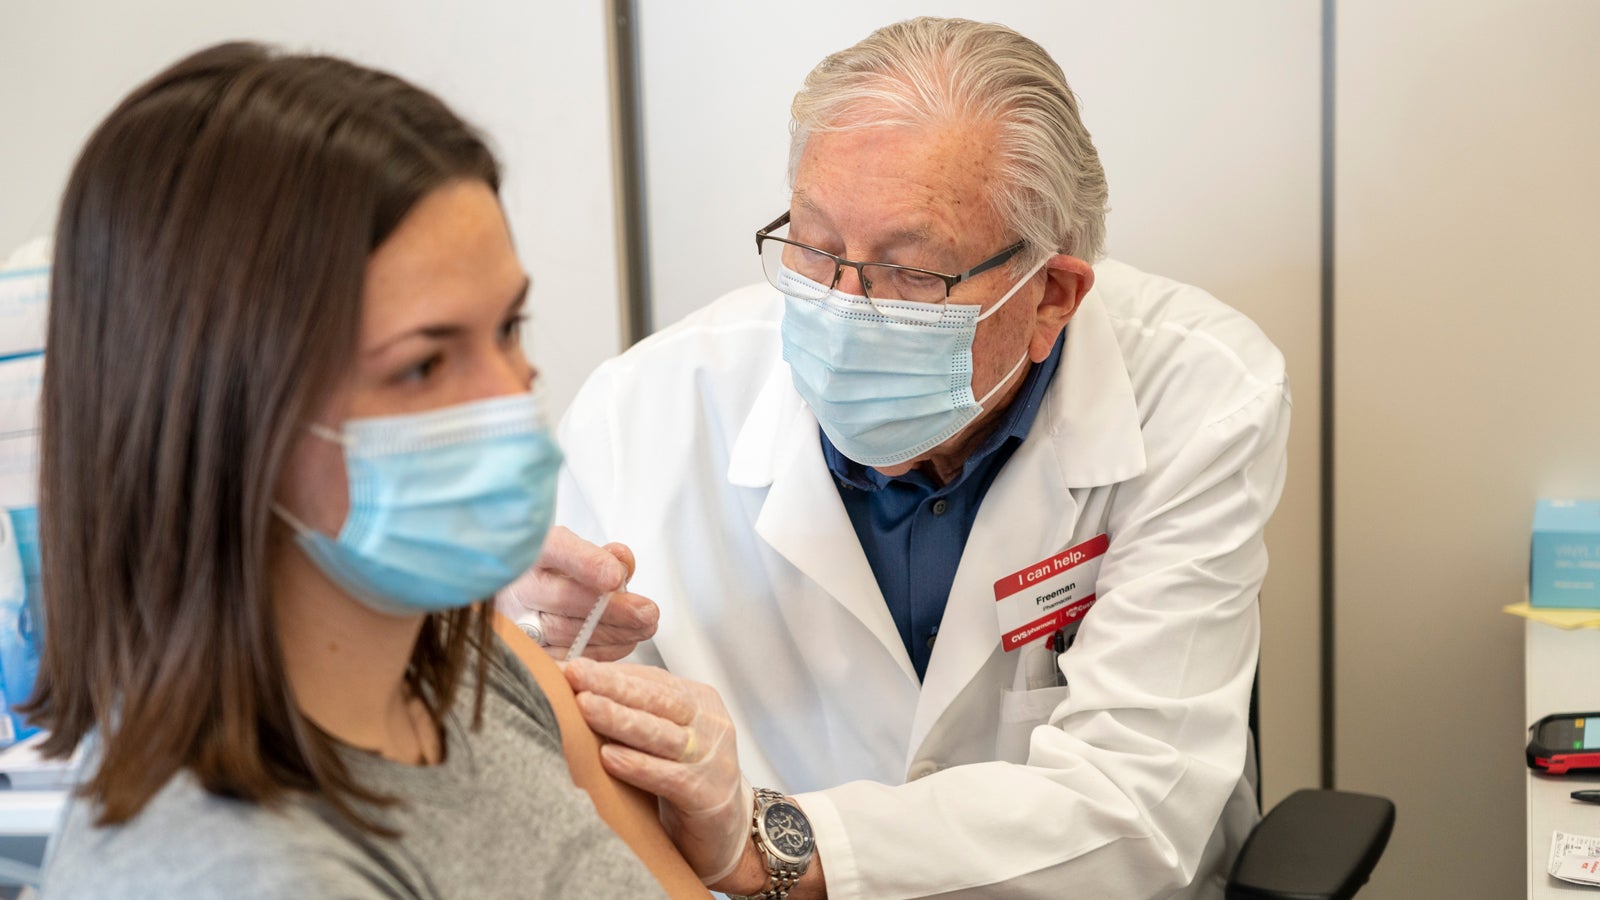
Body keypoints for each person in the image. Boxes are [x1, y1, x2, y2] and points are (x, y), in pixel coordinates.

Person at [504, 15, 1291, 899]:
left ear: (1051, 298)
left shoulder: (1201, 393)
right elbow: (560, 767)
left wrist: (768, 845)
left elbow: (1132, 806)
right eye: (815, 246)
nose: (841, 307)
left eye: (913, 272)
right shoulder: (644, 409)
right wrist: (528, 640)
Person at [26, 42, 707, 898]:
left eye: (506, 328)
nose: (511, 396)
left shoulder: (466, 664)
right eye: (423, 365)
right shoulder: (241, 872)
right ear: (230, 416)